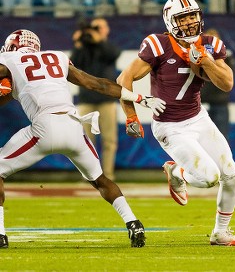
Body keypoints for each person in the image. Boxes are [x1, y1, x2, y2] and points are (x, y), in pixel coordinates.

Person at [0, 29, 167, 248]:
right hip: (74, 127)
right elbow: (98, 84)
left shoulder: (8, 59)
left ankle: (1, 234)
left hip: (44, 128)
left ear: (11, 47)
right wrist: (138, 97)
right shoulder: (57, 57)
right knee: (100, 180)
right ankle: (133, 222)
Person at [117, 0, 235, 247]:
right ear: (170, 21)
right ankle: (175, 170)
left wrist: (206, 60)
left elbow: (227, 84)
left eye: (192, 17)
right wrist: (132, 114)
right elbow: (124, 79)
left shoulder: (209, 44)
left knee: (231, 175)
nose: (189, 23)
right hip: (171, 126)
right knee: (209, 178)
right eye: (182, 19)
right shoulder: (158, 45)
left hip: (198, 118)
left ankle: (220, 233)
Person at [71, 18, 121, 181]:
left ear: (106, 30)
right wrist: (79, 43)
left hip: (106, 100)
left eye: (99, 27)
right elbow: (73, 64)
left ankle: (108, 176)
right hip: (86, 99)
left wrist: (99, 41)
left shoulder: (108, 47)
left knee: (109, 141)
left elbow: (113, 54)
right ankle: (90, 176)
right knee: (85, 141)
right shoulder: (84, 47)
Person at [200, 28, 234, 139]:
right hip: (200, 104)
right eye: (208, 38)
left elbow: (228, 79)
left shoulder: (226, 56)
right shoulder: (195, 55)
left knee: (221, 139)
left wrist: (210, 59)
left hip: (220, 104)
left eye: (214, 39)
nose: (210, 42)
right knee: (200, 140)